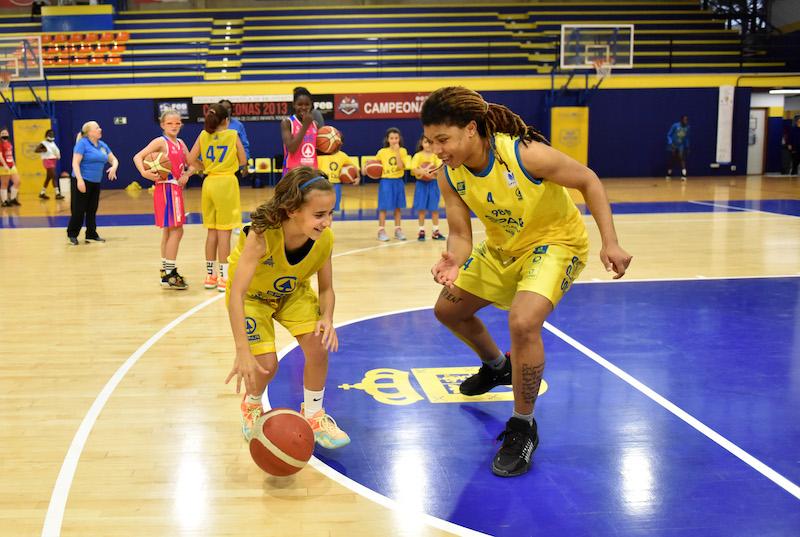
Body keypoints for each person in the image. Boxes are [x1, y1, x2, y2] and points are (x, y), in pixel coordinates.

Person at [421, 86, 632, 477]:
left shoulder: (523, 153)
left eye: (442, 139)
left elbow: (588, 180)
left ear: (470, 129)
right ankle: (497, 366)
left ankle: (523, 424)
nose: (436, 148)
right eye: (430, 140)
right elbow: (461, 234)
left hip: (556, 243)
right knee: (448, 310)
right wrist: (454, 259)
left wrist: (611, 242)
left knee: (523, 321)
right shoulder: (450, 175)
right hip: (505, 248)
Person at [224, 166, 350, 449]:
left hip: (290, 292)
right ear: (292, 210)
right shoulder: (262, 236)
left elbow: (327, 288)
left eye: (331, 213)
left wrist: (327, 317)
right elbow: (236, 293)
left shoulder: (324, 239)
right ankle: (252, 404)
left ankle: (315, 414)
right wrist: (241, 349)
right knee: (266, 366)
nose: (327, 222)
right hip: (252, 298)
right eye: (319, 215)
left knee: (318, 346)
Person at [187, 103, 247, 292]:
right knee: (224, 233)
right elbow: (244, 160)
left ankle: (210, 276)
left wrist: (204, 167)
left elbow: (190, 159)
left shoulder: (204, 135)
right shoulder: (232, 135)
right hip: (226, 183)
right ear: (226, 120)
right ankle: (224, 277)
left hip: (209, 183)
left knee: (211, 232)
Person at [133, 109, 194, 290]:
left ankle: (165, 272)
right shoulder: (161, 141)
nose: (174, 126)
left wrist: (187, 174)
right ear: (162, 125)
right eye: (170, 123)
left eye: (177, 123)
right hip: (167, 188)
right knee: (178, 231)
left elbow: (192, 164)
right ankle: (170, 274)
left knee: (169, 232)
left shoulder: (180, 143)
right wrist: (144, 172)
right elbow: (138, 156)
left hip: (174, 187)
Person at [67, 121, 118, 245]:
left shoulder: (102, 145)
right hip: (82, 180)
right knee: (78, 209)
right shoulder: (82, 144)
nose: (100, 129)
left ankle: (91, 234)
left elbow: (114, 159)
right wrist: (79, 180)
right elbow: (75, 163)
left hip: (95, 181)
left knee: (92, 209)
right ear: (89, 132)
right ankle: (72, 234)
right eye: (97, 128)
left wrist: (114, 167)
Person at [375, 127, 410, 241]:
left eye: (396, 138)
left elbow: (401, 166)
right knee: (383, 207)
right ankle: (381, 230)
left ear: (399, 139)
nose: (394, 140)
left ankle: (398, 230)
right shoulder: (382, 152)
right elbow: (374, 167)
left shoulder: (403, 151)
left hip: (398, 181)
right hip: (386, 181)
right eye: (392, 138)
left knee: (398, 207)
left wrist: (397, 153)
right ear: (388, 139)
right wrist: (367, 169)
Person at [410, 135, 445, 241]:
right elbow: (414, 169)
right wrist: (425, 172)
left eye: (430, 142)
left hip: (433, 184)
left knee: (434, 209)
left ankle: (435, 231)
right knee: (421, 209)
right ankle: (421, 231)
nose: (428, 145)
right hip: (421, 184)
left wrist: (430, 173)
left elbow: (439, 168)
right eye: (426, 142)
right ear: (421, 143)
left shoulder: (436, 155)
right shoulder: (417, 156)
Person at [316, 132, 360, 211]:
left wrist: (358, 177)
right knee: (319, 208)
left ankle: (330, 223)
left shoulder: (342, 155)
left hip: (335, 185)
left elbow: (354, 167)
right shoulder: (318, 155)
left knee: (333, 209)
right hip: (320, 185)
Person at [281, 87, 318, 174]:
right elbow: (291, 148)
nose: (303, 107)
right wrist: (305, 125)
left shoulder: (315, 124)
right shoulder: (287, 123)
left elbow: (319, 149)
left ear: (311, 105)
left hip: (311, 171)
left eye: (307, 104)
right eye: (300, 104)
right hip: (293, 172)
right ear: (294, 105)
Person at [36, 129, 63, 200]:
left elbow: (55, 152)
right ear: (46, 135)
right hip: (47, 160)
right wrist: (43, 150)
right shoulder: (43, 143)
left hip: (53, 160)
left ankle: (42, 193)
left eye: (52, 134)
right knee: (54, 176)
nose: (51, 135)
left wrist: (58, 155)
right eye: (49, 134)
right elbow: (36, 150)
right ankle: (57, 193)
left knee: (49, 178)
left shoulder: (53, 143)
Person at [0, 127, 21, 207]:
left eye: (5, 133)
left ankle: (13, 199)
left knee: (17, 181)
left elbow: (10, 155)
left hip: (11, 166)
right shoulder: (0, 144)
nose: (4, 135)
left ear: (8, 134)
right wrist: (5, 165)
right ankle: (4, 201)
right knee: (4, 183)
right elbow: (0, 156)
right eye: (2, 133)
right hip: (3, 166)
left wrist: (14, 164)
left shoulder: (9, 143)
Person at [666, 115, 690, 181]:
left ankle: (684, 174)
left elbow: (686, 138)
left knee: (681, 157)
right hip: (673, 144)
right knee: (673, 159)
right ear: (681, 120)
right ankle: (669, 173)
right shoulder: (675, 126)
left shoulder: (687, 128)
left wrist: (687, 146)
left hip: (680, 145)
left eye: (687, 120)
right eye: (684, 120)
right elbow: (669, 135)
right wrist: (670, 143)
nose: (686, 121)